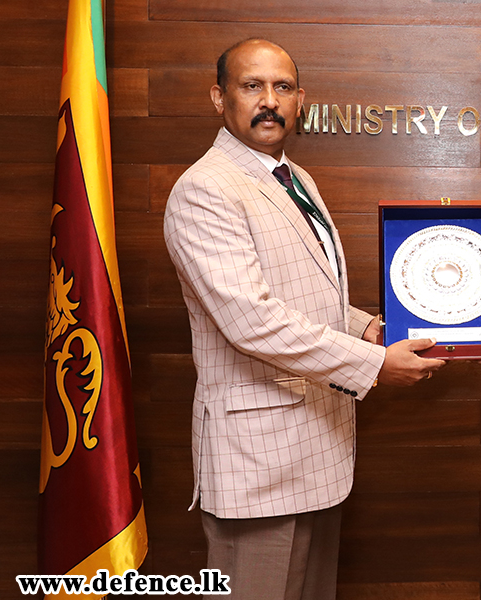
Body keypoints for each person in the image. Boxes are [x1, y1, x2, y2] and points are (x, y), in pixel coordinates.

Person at [163, 38, 445, 600]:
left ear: (301, 101)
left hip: (319, 450)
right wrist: (374, 364)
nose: (269, 100)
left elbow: (305, 294)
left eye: (283, 87)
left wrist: (367, 326)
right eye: (252, 86)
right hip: (258, 462)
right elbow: (253, 320)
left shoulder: (295, 179)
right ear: (219, 98)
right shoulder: (206, 190)